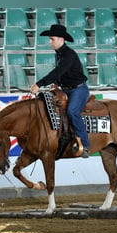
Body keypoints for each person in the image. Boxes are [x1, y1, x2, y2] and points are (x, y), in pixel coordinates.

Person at [30, 24, 90, 158]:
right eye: (50, 39)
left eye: (52, 39)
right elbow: (65, 72)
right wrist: (57, 83)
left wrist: (39, 84)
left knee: (72, 111)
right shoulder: (59, 54)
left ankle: (85, 145)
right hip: (66, 89)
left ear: (61, 40)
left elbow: (58, 71)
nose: (50, 42)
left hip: (79, 90)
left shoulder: (68, 54)